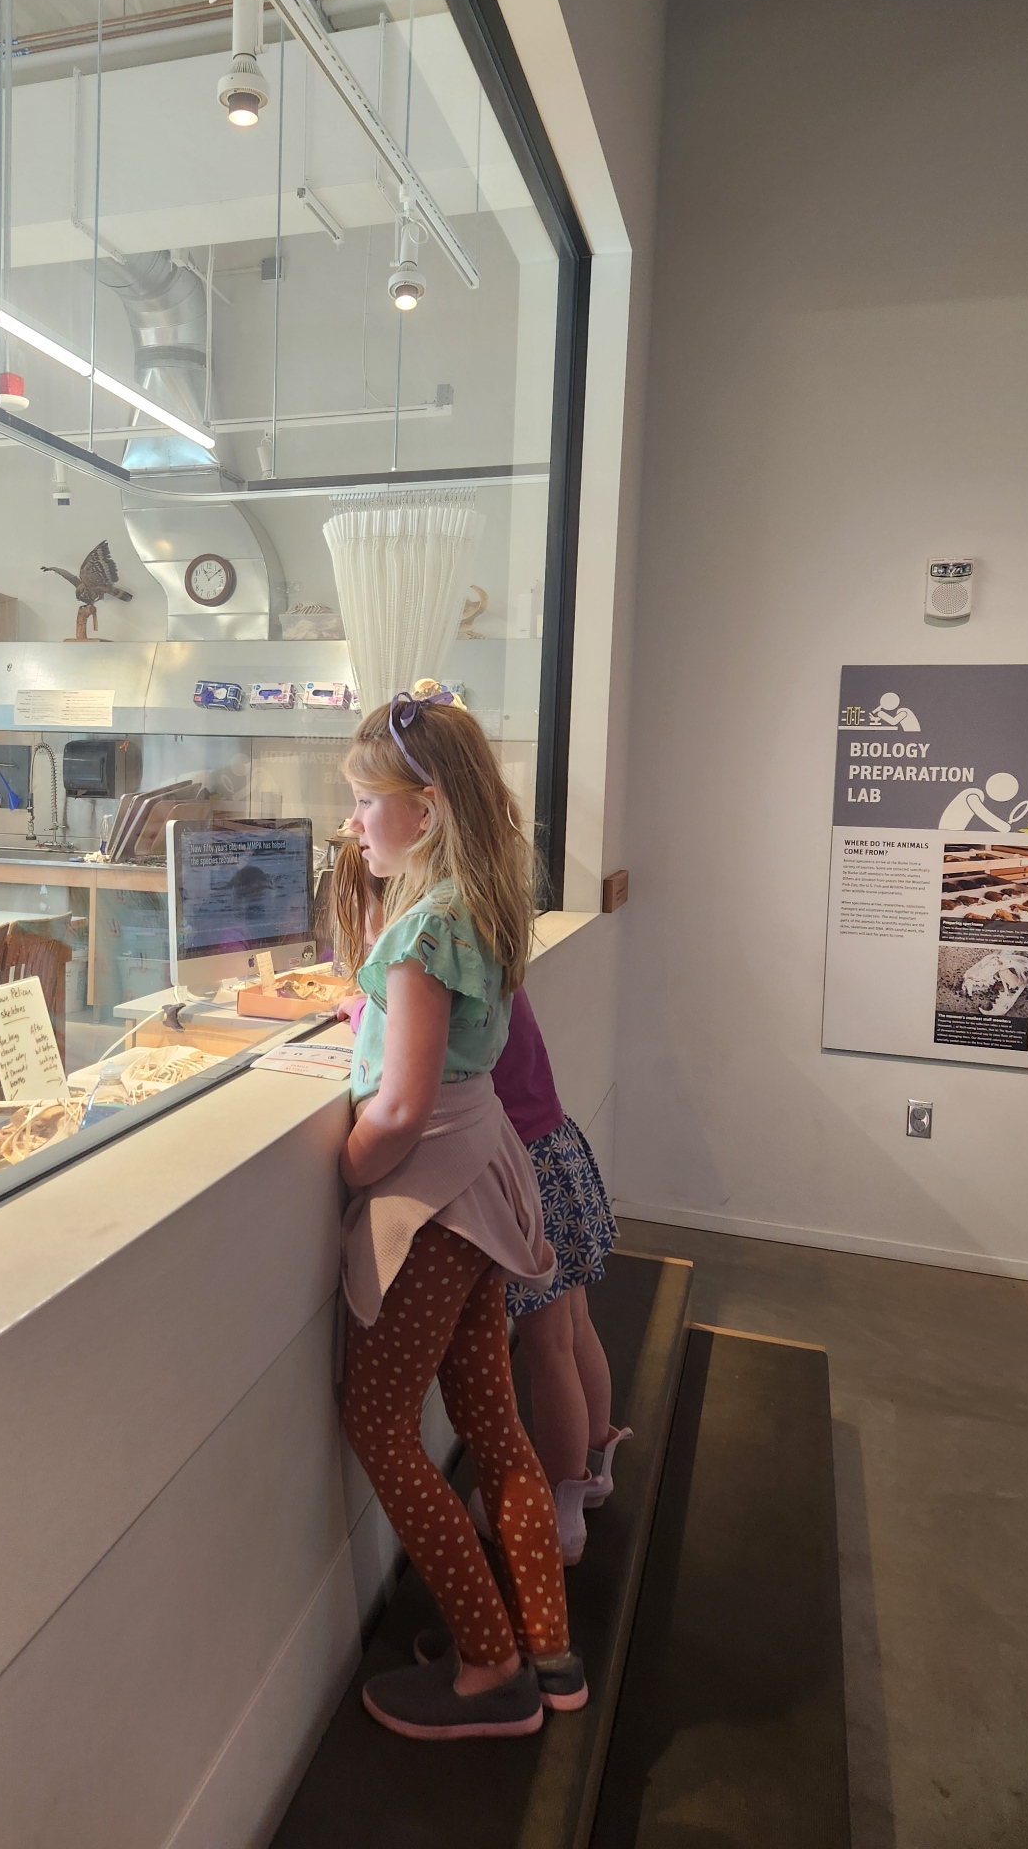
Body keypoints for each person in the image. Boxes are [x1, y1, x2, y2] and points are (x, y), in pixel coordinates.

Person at [330, 689, 587, 1741]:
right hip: (486, 1183)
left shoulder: (422, 931)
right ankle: (551, 1652)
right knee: (493, 1420)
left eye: (365, 801)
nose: (353, 821)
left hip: (431, 1201)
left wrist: (346, 1169)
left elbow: (400, 1106)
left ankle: (489, 1665)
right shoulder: (481, 904)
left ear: (425, 810)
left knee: (380, 1422)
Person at [482, 990, 630, 1565]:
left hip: (524, 1171)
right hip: (554, 1151)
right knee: (574, 1327)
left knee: (548, 1349)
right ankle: (595, 1463)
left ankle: (560, 1514)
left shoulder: (453, 967)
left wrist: (366, 1009)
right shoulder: (499, 963)